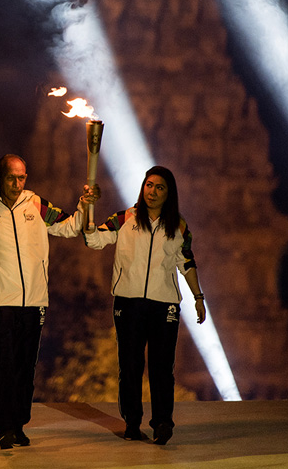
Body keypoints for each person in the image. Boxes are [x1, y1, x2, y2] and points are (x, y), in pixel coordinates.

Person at [0, 154, 90, 450]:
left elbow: (71, 226)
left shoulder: (36, 205)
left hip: (34, 300)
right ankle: (4, 427)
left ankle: (20, 424)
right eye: (11, 177)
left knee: (26, 366)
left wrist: (85, 203)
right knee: (4, 364)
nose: (17, 183)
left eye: (22, 177)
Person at [83, 165, 206, 446]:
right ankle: (132, 422)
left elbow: (186, 263)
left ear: (169, 194)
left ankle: (163, 423)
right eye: (149, 185)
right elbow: (94, 240)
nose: (152, 191)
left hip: (164, 305)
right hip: (128, 302)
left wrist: (198, 298)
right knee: (130, 365)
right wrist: (89, 212)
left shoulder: (178, 226)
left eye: (159, 187)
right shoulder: (125, 218)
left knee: (162, 367)